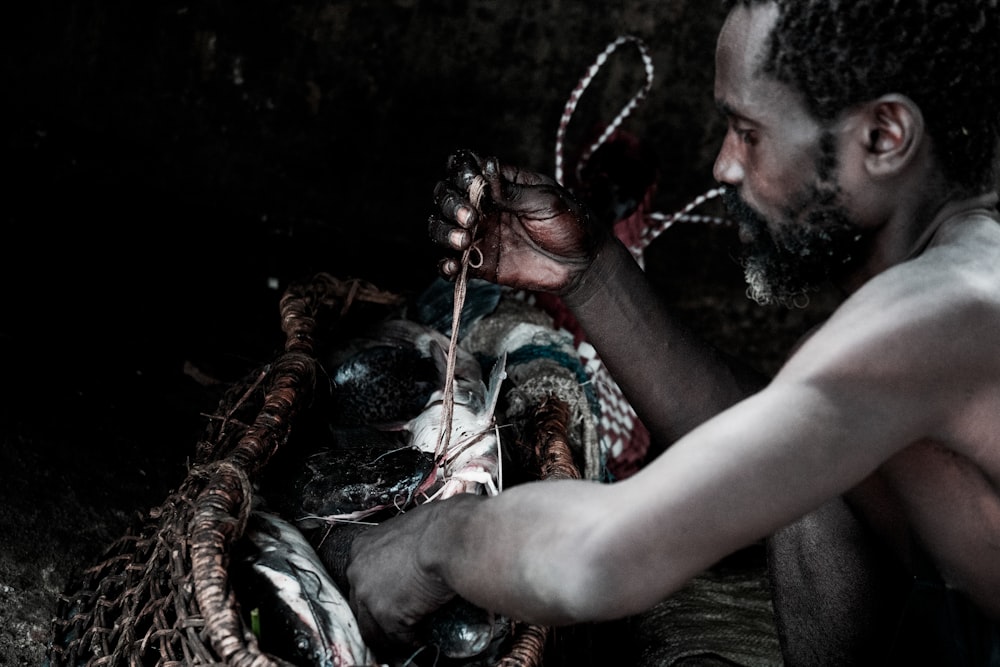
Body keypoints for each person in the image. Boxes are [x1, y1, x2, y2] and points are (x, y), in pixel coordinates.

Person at [346, 1, 1000, 664]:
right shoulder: (953, 283)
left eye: (748, 131)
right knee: (816, 487)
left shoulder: (941, 314)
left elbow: (601, 557)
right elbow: (768, 448)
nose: (723, 167)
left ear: (883, 137)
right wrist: (593, 272)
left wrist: (435, 542)